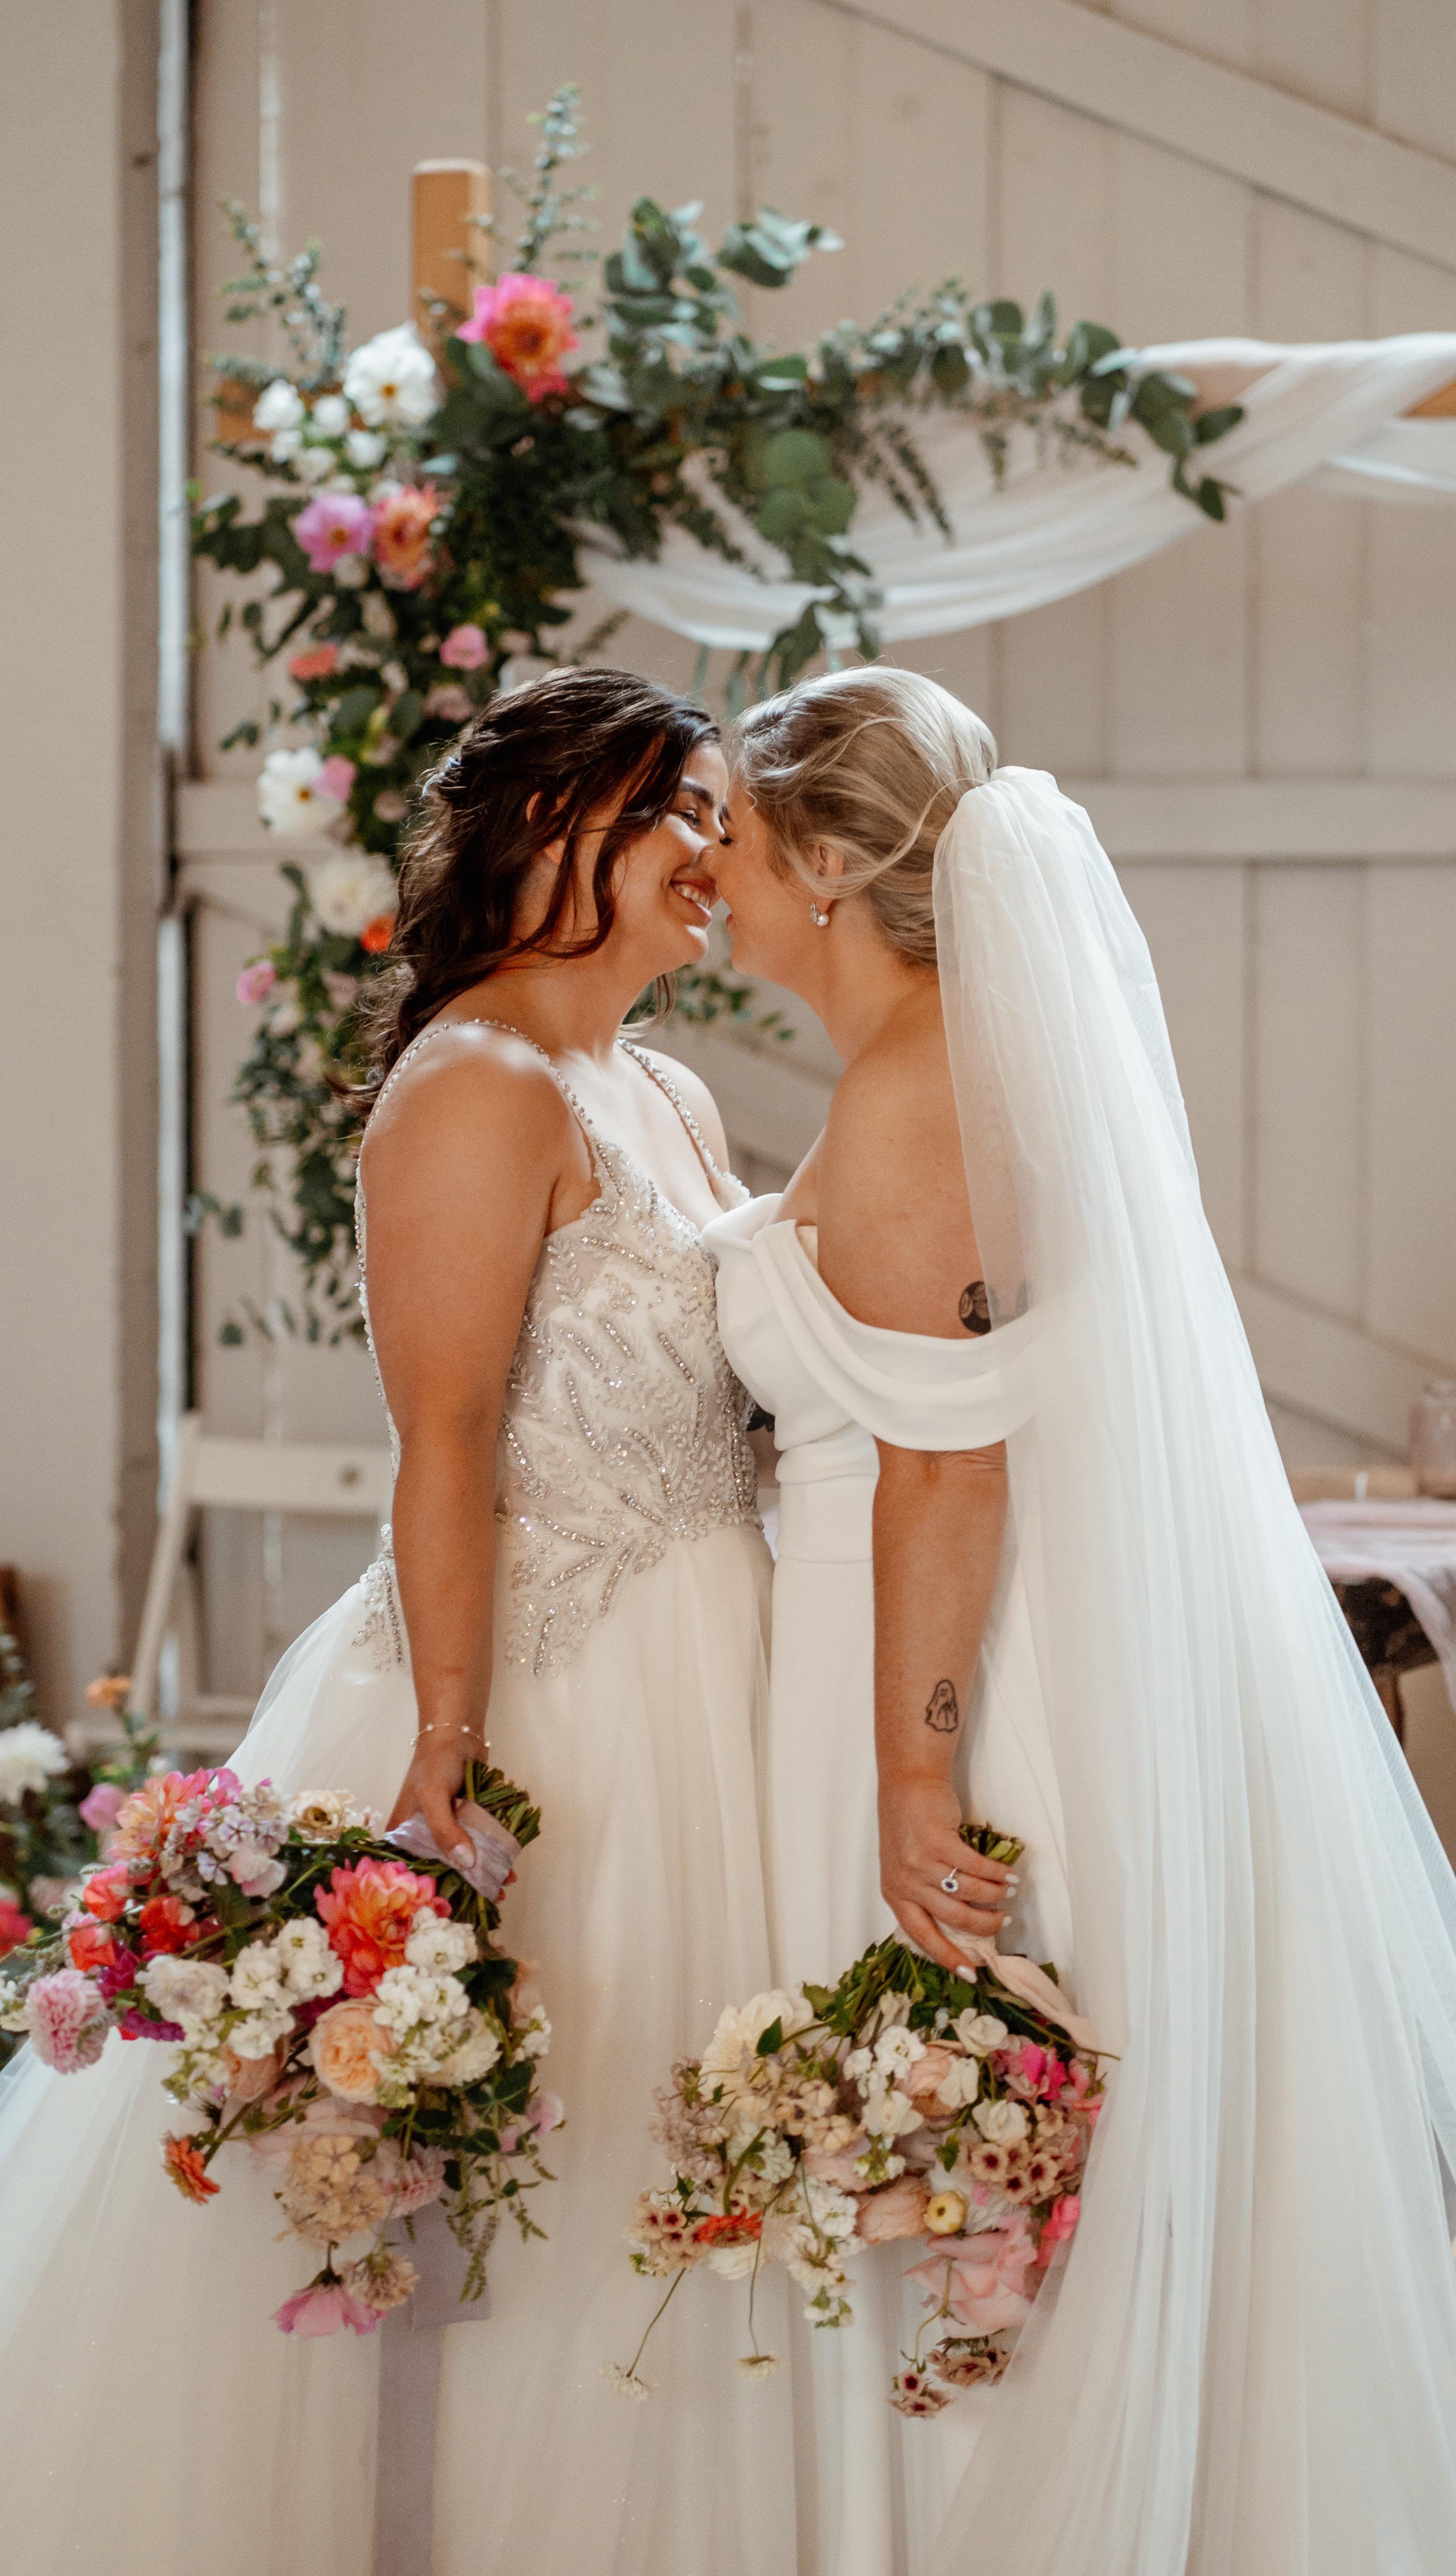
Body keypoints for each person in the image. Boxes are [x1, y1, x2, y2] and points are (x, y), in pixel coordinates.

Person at [0, 668, 795, 2576]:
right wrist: (448, 1748)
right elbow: (444, 1443)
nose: (718, 850)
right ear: (557, 825)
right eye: (682, 810)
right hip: (539, 1689)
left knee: (685, 2153)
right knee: (534, 2159)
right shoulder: (473, 1086)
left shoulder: (667, 1089)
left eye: (721, 813)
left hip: (721, 1668)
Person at [706, 664, 1456, 2576]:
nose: (708, 865)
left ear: (821, 860)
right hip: (905, 1644)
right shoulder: (932, 1068)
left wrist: (912, 1777)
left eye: (733, 829)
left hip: (931, 1673)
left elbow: (949, 1472)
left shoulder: (915, 1092)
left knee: (964, 2140)